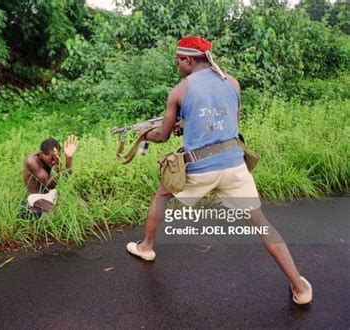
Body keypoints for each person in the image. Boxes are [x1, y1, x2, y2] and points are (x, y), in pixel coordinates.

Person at [125, 36, 312, 305]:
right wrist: (187, 126)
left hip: (199, 168)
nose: (177, 65)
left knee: (161, 197)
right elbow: (228, 126)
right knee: (262, 224)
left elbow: (163, 136)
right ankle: (300, 287)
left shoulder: (179, 91)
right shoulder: (232, 82)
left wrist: (145, 134)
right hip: (234, 165)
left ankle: (146, 247)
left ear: (188, 60)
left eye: (178, 61)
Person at [21, 135, 78, 218]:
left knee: (79, 204)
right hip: (37, 196)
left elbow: (65, 177)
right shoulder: (32, 161)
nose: (53, 162)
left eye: (55, 158)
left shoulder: (54, 157)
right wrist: (58, 164)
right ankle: (29, 209)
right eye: (51, 158)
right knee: (57, 213)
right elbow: (48, 185)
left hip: (52, 193)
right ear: (42, 153)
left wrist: (69, 158)